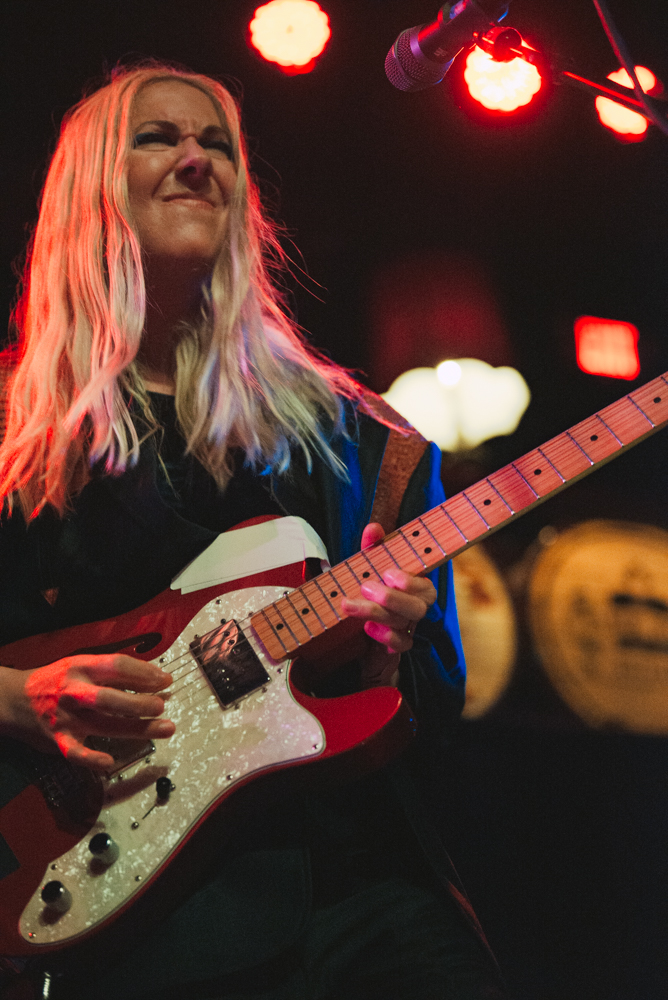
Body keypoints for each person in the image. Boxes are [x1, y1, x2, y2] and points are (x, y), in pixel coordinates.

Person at [0, 63, 506, 999]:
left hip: (364, 889)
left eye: (219, 144)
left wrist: (394, 645)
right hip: (142, 915)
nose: (197, 161)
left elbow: (439, 700)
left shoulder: (357, 439)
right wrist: (21, 695)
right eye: (159, 137)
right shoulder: (14, 428)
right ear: (90, 187)